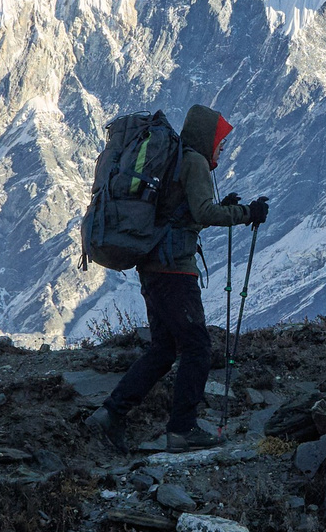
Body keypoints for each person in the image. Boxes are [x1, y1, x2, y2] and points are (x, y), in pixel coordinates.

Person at [88, 105, 264, 453]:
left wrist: (222, 205)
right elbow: (204, 213)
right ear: (207, 137)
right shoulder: (195, 161)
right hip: (175, 271)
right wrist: (246, 214)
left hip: (152, 267)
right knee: (197, 348)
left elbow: (178, 212)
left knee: (164, 349)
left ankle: (110, 414)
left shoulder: (176, 158)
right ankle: (182, 429)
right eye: (220, 141)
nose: (221, 149)